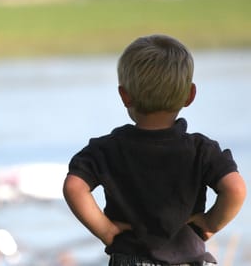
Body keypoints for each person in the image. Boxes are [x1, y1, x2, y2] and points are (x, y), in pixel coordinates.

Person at [63, 34, 246, 266]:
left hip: (130, 258)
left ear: (125, 95)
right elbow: (235, 188)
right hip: (189, 259)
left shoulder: (107, 149)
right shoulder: (201, 150)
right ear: (190, 95)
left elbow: (74, 186)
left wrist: (106, 230)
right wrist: (210, 224)